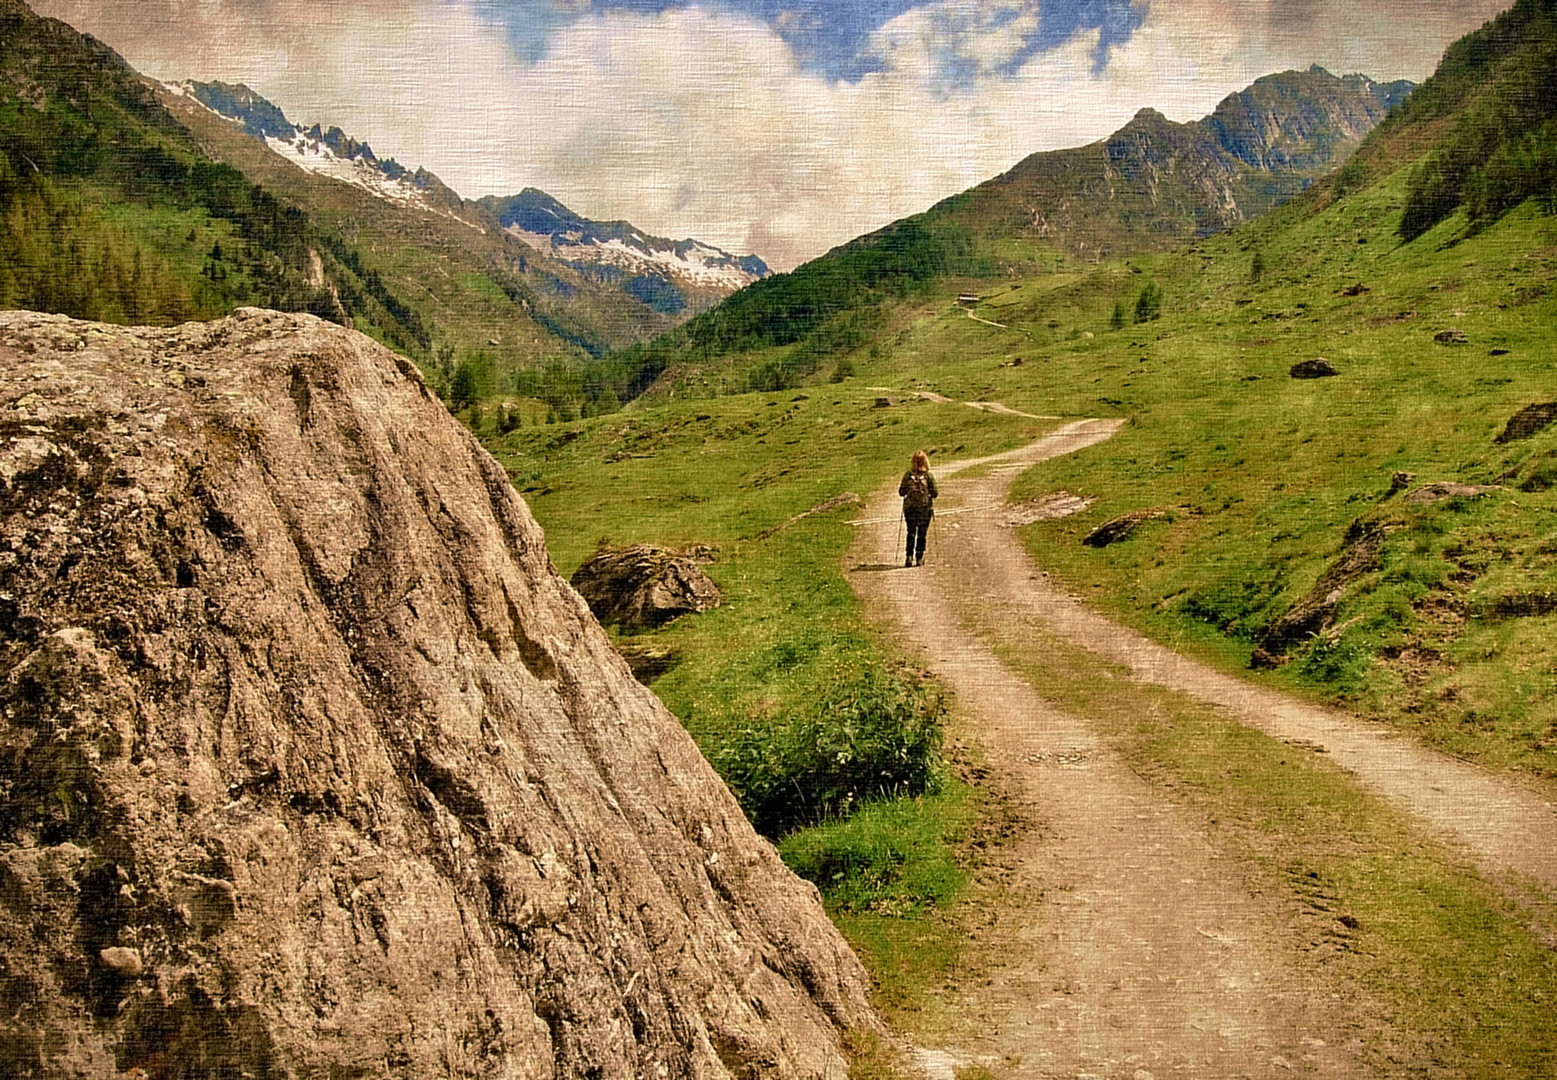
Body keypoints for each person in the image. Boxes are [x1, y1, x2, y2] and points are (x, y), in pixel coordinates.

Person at [898, 449, 938, 567]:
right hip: (924, 509)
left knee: (911, 531)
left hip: (910, 508)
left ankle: (909, 556)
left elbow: (901, 492)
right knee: (922, 533)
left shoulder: (908, 475)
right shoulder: (928, 476)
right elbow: (935, 493)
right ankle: (919, 558)